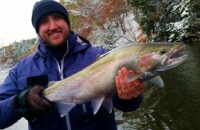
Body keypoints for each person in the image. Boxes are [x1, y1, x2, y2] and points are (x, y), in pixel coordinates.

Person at [0, 0, 144, 129]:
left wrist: (129, 98)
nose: (52, 26)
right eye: (44, 21)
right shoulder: (20, 70)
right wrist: (20, 103)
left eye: (57, 18)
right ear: (37, 30)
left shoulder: (100, 56)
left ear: (67, 23)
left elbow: (128, 106)